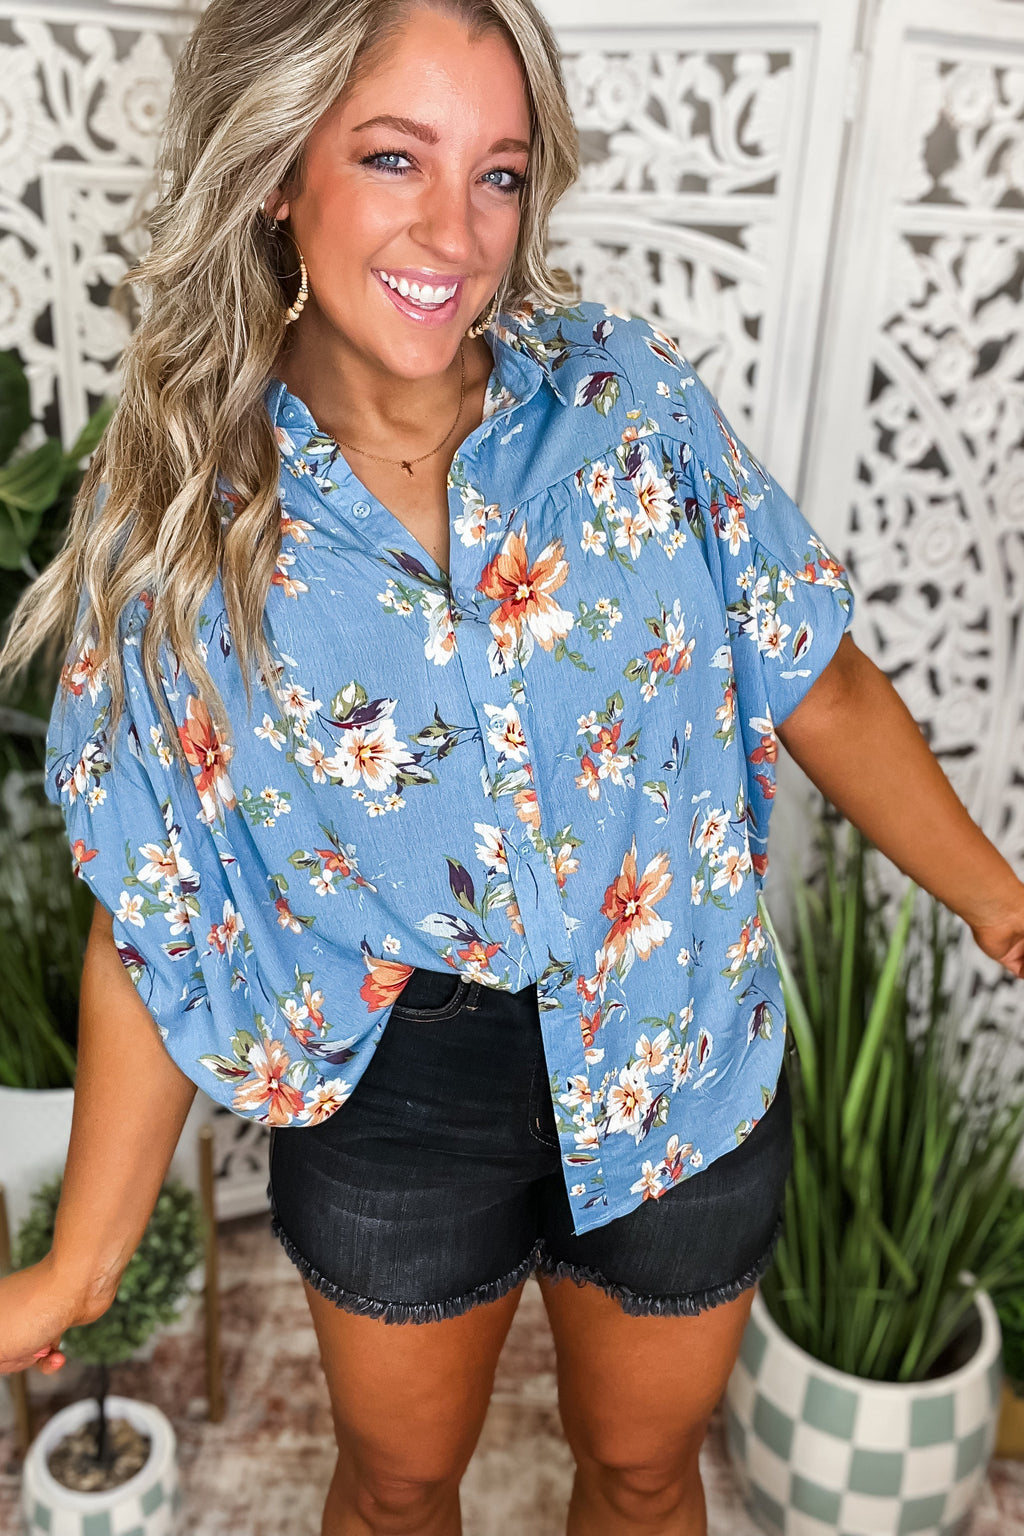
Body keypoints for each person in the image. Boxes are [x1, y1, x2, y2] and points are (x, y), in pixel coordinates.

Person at [1, 2, 1022, 1533]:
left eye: (497, 172)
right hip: (400, 1090)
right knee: (399, 1484)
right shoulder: (185, 523)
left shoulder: (624, 402)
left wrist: (1002, 903)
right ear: (278, 169)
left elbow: (819, 674)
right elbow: (155, 903)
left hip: (676, 1039)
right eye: (392, 157)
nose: (455, 230)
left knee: (644, 1472)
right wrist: (80, 1266)